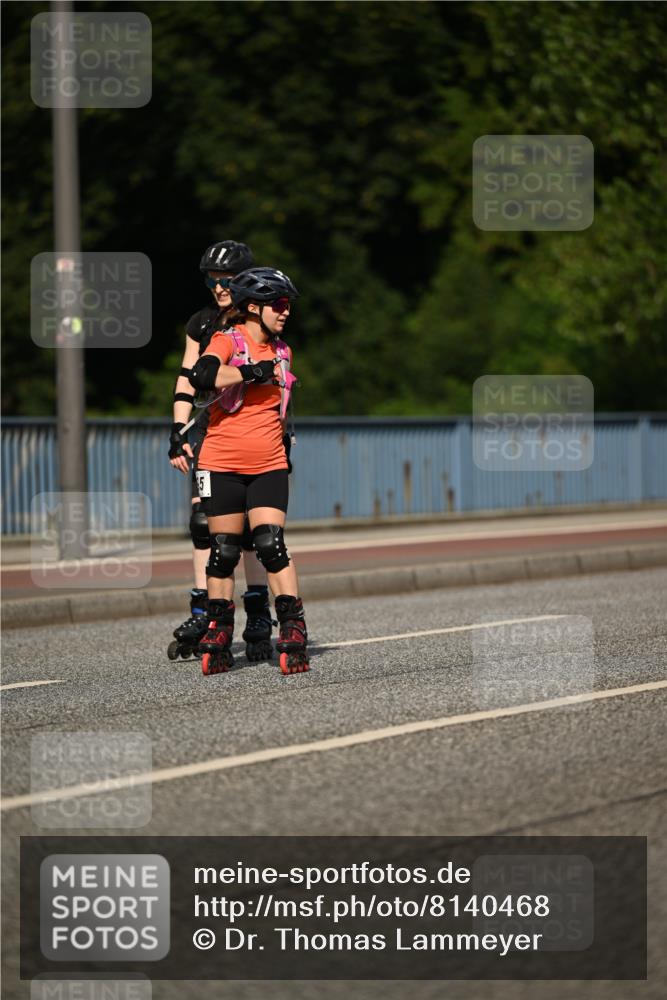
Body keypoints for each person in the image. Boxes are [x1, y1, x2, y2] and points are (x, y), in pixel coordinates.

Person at [188, 266, 309, 676]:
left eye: (288, 304)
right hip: (220, 462)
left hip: (269, 463)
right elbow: (203, 375)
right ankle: (220, 628)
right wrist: (252, 372)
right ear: (253, 307)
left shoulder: (283, 351)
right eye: (279, 304)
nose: (285, 311)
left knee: (270, 543)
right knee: (223, 549)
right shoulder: (229, 340)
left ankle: (292, 627)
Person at [167, 241, 274, 662]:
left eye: (226, 279)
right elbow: (186, 377)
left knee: (253, 534)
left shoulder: (259, 321)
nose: (218, 287)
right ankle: (204, 610)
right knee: (203, 524)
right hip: (213, 436)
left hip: (258, 435)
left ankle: (259, 612)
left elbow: (279, 372)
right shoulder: (202, 323)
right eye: (211, 280)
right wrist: (178, 430)